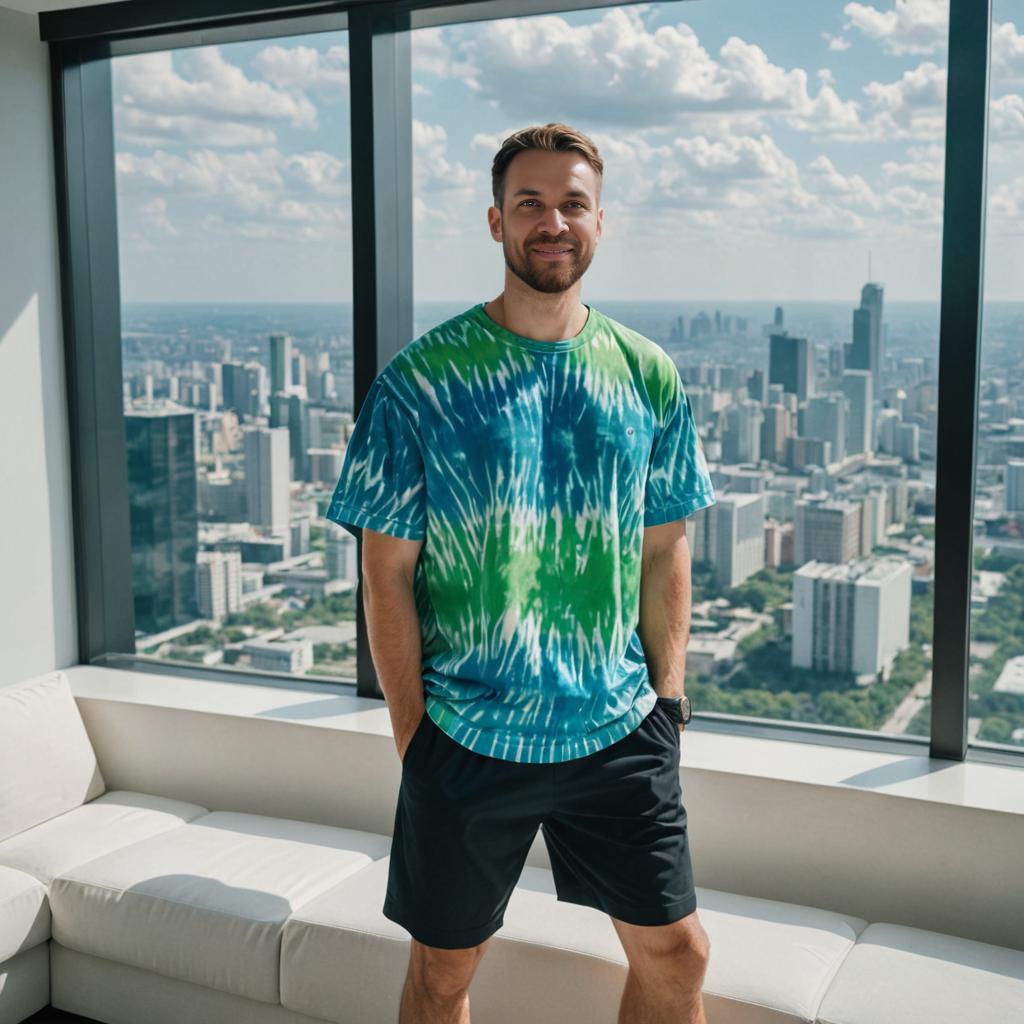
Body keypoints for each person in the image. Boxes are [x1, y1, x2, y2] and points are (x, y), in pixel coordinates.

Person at [326, 122, 717, 1024]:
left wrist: (668, 703)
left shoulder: (647, 373)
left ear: (600, 222)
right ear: (496, 221)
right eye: (531, 204)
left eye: (572, 204)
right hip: (466, 739)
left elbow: (665, 551)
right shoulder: (420, 380)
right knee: (443, 975)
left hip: (618, 733)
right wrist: (416, 740)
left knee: (680, 955)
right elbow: (384, 575)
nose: (553, 222)